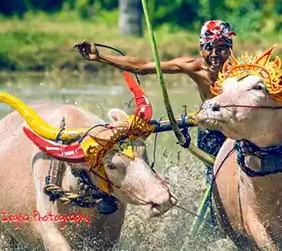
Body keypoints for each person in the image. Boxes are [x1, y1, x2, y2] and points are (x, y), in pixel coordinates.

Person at [74, 19, 236, 181]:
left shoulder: (242, 72)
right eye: (208, 48)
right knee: (214, 177)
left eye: (221, 48)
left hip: (237, 127)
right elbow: (143, 66)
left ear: (230, 49)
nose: (214, 55)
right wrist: (100, 57)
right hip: (210, 130)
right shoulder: (195, 67)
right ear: (201, 49)